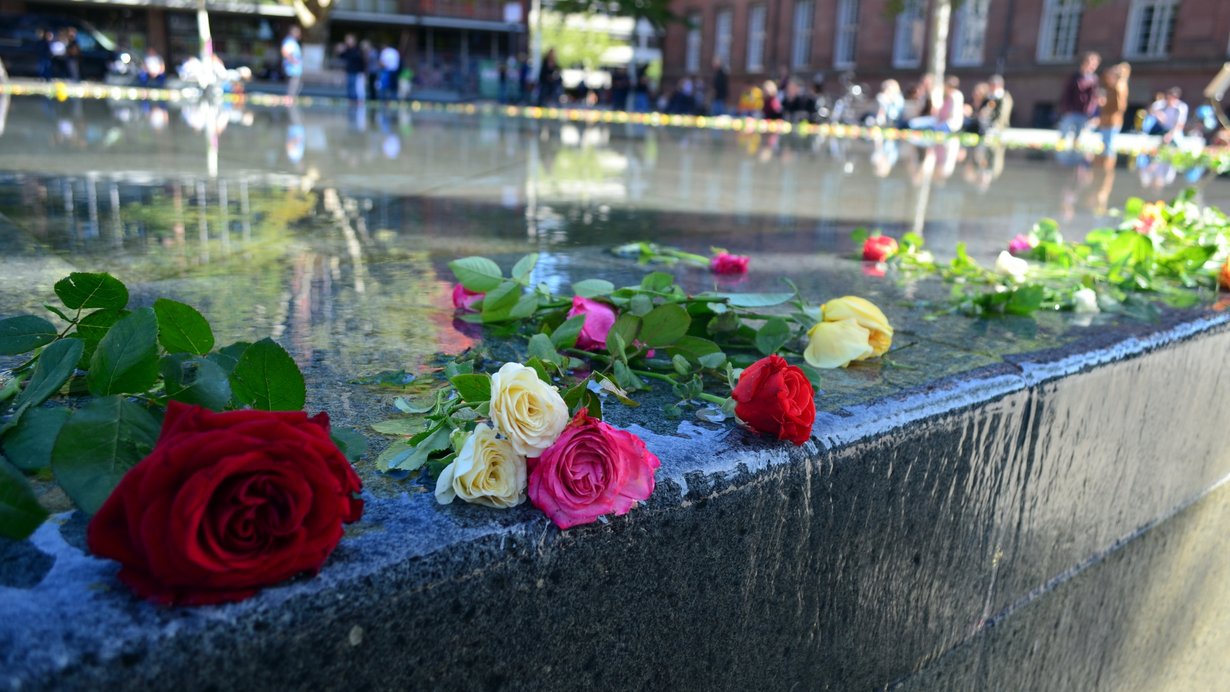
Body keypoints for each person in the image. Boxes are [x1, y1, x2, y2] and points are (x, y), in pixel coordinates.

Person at [1057, 51, 1101, 144]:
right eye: (1090, 63)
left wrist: (1092, 112)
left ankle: (1074, 155)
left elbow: (1094, 98)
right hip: (1071, 110)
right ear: (1084, 63)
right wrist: (1066, 109)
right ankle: (1060, 154)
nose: (1092, 66)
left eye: (1095, 65)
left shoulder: (1094, 79)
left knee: (1078, 136)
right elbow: (1066, 94)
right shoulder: (1075, 77)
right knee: (1064, 133)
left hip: (1084, 112)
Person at [1097, 63, 1129, 154]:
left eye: (1110, 76)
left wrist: (1104, 104)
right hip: (1106, 120)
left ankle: (1107, 166)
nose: (1108, 78)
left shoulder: (1119, 87)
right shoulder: (1109, 88)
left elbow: (1120, 107)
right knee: (1105, 144)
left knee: (1108, 146)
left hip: (1113, 121)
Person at [337, 34, 366, 102]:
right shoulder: (347, 50)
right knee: (349, 86)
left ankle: (354, 100)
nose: (347, 42)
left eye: (349, 40)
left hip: (356, 71)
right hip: (349, 71)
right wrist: (340, 51)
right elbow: (343, 57)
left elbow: (359, 60)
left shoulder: (357, 49)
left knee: (354, 87)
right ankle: (350, 100)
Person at [281, 26, 302, 100]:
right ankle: (289, 102)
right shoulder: (289, 41)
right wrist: (293, 61)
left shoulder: (293, 41)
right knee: (291, 87)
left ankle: (290, 101)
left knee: (294, 87)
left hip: (295, 69)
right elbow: (285, 51)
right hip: (292, 69)